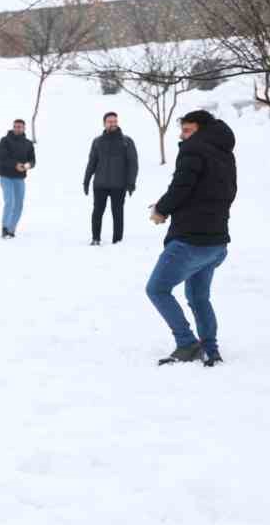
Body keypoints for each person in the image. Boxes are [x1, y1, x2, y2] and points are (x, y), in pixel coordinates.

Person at [145, 110, 237, 367]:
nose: (183, 136)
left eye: (187, 130)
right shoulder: (224, 153)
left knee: (157, 289)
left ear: (201, 129)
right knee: (198, 297)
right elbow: (217, 192)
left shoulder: (193, 150)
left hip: (190, 240)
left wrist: (161, 210)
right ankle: (211, 348)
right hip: (216, 242)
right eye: (182, 131)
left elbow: (181, 187)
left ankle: (187, 343)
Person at [84, 111, 140, 245]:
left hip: (119, 185)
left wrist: (131, 183)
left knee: (118, 213)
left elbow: (133, 164)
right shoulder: (97, 141)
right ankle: (95, 238)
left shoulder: (126, 141)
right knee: (97, 212)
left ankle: (117, 240)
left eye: (115, 121)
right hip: (100, 184)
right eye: (110, 122)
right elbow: (92, 162)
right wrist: (86, 181)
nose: (113, 124)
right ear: (104, 123)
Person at [0, 118, 36, 238]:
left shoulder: (28, 143)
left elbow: (33, 160)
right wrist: (15, 165)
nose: (17, 128)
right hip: (6, 176)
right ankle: (5, 228)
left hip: (19, 178)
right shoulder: (4, 141)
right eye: (15, 126)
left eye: (20, 127)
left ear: (24, 128)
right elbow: (1, 157)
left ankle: (11, 229)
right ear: (13, 127)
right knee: (10, 201)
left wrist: (27, 165)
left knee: (19, 204)